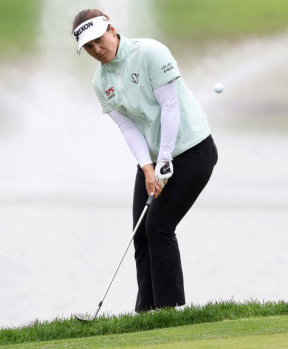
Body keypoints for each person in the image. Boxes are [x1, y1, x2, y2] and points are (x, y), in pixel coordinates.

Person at [72, 9, 218, 312]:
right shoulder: (101, 82)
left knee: (159, 228)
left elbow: (170, 105)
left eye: (99, 41)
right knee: (141, 233)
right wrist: (147, 166)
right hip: (154, 158)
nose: (97, 50)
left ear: (112, 30)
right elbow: (127, 126)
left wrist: (164, 159)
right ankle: (146, 313)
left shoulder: (151, 52)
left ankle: (169, 311)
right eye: (89, 48)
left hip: (193, 151)